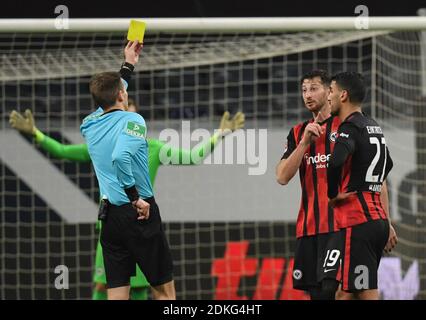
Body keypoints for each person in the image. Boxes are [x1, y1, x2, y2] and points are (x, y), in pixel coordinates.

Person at [9, 102, 244, 300]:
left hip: (138, 221)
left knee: (142, 289)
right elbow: (62, 151)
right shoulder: (100, 146)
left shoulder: (152, 148)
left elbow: (193, 157)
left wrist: (220, 134)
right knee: (105, 287)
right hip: (113, 224)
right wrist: (36, 134)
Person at [327, 71, 397, 300]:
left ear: (343, 95)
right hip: (376, 220)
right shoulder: (372, 125)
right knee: (345, 293)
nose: (329, 97)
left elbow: (335, 160)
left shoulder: (350, 128)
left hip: (358, 221)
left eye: (331, 91)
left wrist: (332, 193)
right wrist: (387, 221)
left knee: (365, 292)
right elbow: (387, 165)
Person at [275, 70, 344, 300]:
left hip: (339, 226)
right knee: (317, 295)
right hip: (309, 228)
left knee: (334, 291)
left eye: (314, 88)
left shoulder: (345, 126)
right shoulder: (297, 133)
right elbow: (282, 176)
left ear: (329, 91)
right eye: (304, 90)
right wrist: (304, 143)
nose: (308, 94)